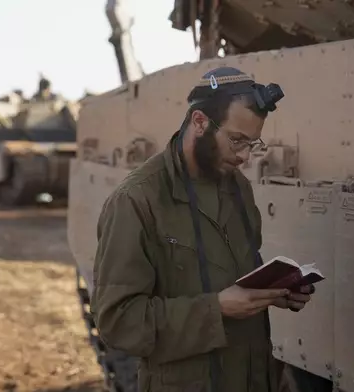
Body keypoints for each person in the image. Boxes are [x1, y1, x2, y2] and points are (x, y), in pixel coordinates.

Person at [90, 66, 316, 392]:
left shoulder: (237, 188)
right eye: (237, 140)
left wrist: (274, 292)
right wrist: (218, 308)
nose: (244, 156)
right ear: (199, 122)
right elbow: (118, 321)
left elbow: (237, 280)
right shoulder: (137, 200)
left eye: (252, 144)